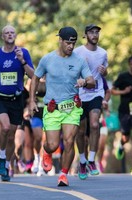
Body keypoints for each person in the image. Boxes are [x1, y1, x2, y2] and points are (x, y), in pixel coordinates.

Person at [29, 26, 95, 186]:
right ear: (60, 40)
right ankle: (46, 152)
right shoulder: (47, 59)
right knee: (52, 145)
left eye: (73, 43)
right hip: (52, 108)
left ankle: (63, 174)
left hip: (71, 107)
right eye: (67, 43)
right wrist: (31, 100)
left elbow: (92, 82)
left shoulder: (80, 61)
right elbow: (35, 79)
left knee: (69, 140)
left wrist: (84, 81)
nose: (71, 46)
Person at [0, 25, 34, 182]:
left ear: (15, 35)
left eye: (12, 32)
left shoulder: (23, 52)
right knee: (5, 127)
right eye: (6, 33)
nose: (9, 35)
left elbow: (33, 75)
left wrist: (22, 61)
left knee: (12, 135)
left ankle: (6, 165)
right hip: (0, 98)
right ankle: (1, 158)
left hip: (17, 99)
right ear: (3, 36)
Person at [74, 24, 108, 180]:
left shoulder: (103, 53)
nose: (95, 35)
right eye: (91, 32)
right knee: (80, 130)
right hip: (80, 95)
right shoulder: (77, 52)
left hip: (96, 93)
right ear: (86, 35)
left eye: (97, 32)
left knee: (94, 124)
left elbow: (105, 72)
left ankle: (92, 160)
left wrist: (104, 71)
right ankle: (82, 161)